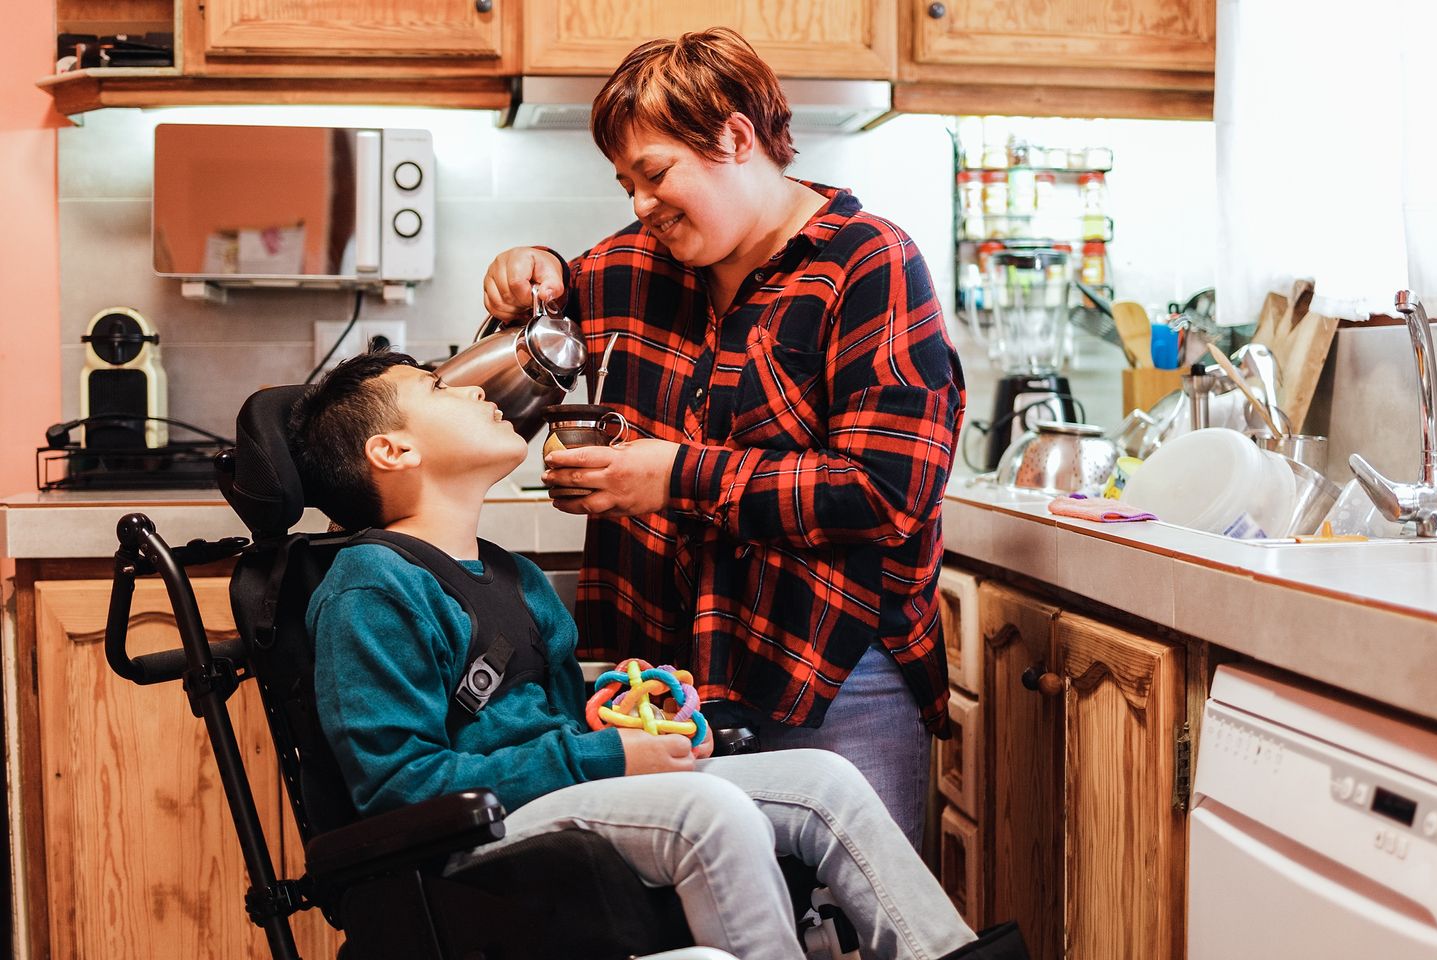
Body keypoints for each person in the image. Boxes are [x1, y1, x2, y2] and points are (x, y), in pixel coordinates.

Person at [287, 349, 982, 960]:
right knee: (712, 812)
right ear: (393, 452)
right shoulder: (372, 589)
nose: (477, 391)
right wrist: (606, 757)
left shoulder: (514, 578)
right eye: (440, 389)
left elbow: (551, 728)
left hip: (548, 803)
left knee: (826, 781)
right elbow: (398, 790)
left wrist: (612, 718)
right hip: (467, 838)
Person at [480, 27, 965, 847]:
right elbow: (495, 393)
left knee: (855, 924)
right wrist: (521, 283)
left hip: (835, 677)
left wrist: (674, 478)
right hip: (657, 693)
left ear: (737, 138)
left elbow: (887, 493)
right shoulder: (625, 266)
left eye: (657, 173)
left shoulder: (867, 263)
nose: (640, 203)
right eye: (627, 182)